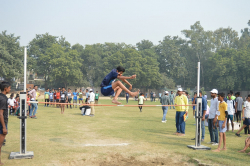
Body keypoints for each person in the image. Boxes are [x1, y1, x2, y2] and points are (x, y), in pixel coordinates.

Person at [0, 81, 11, 165]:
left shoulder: (1, 97)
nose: (10, 89)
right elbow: (0, 113)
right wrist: (4, 127)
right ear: (5, 89)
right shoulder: (3, 99)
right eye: (9, 88)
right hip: (1, 123)